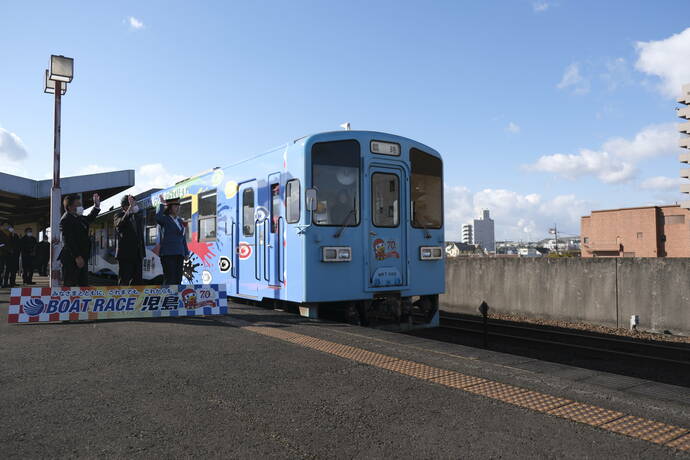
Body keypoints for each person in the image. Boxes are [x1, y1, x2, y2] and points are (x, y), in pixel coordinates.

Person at [59, 193, 100, 286]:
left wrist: (96, 206)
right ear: (69, 207)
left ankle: (82, 301)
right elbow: (68, 241)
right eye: (77, 205)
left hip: (83, 257)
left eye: (80, 205)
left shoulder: (78, 217)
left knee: (83, 285)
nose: (80, 207)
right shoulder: (66, 219)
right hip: (72, 258)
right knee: (70, 285)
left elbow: (89, 218)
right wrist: (77, 256)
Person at [155, 197, 189, 285]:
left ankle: (176, 298)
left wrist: (186, 252)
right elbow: (158, 218)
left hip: (179, 253)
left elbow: (183, 238)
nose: (178, 208)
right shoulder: (165, 219)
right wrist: (162, 204)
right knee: (170, 278)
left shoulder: (180, 220)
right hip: (168, 254)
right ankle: (167, 297)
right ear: (169, 208)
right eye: (175, 206)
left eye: (178, 206)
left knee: (178, 279)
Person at [114, 194, 145, 285]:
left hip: (138, 254)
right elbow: (120, 224)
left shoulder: (137, 215)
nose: (134, 205)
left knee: (138, 282)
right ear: (124, 206)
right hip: (125, 255)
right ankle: (122, 298)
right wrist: (129, 211)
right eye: (131, 204)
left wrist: (134, 211)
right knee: (124, 281)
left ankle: (137, 299)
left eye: (134, 204)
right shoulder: (118, 215)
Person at [0, 222, 9, 288]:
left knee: (2, 269)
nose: (6, 227)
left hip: (4, 254)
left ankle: (1, 283)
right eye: (5, 225)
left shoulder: (6, 234)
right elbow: (2, 244)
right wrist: (4, 245)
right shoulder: (2, 234)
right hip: (1, 253)